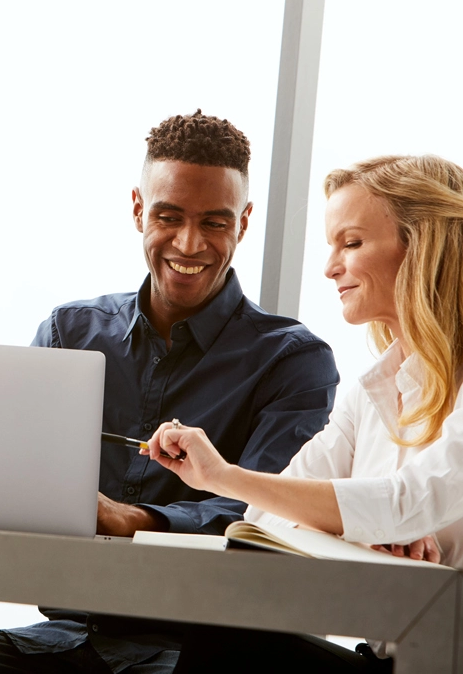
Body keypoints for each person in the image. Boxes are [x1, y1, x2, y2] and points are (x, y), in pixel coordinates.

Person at [0, 110, 345, 674]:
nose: (190, 243)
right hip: (62, 638)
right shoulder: (69, 334)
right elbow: (16, 481)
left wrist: (131, 519)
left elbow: (267, 520)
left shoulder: (293, 361)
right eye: (168, 216)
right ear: (138, 209)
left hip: (198, 656)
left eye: (215, 222)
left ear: (244, 222)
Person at [143, 154, 463, 670]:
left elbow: (406, 502)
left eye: (352, 243)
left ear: (424, 245)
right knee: (226, 635)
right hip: (390, 658)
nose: (330, 267)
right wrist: (365, 528)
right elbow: (264, 520)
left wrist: (222, 476)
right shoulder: (372, 391)